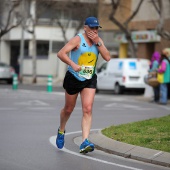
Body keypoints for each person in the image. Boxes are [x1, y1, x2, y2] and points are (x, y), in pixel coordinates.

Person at [56, 16, 111, 153]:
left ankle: (84, 141)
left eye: (96, 28)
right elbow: (61, 53)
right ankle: (61, 129)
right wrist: (72, 64)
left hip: (89, 78)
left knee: (87, 109)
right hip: (73, 77)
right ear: (85, 28)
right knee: (68, 109)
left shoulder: (98, 41)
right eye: (91, 27)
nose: (94, 30)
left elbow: (108, 57)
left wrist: (98, 42)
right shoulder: (77, 39)